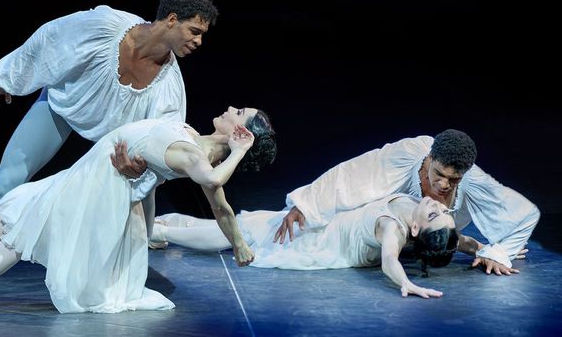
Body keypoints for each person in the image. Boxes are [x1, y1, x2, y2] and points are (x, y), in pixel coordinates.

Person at [0, 107, 276, 313]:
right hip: (93, 176)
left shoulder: (194, 154)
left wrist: (239, 242)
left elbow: (216, 195)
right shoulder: (192, 140)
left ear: (240, 135)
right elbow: (214, 192)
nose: (230, 108)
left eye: (239, 112)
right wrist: (238, 243)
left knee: (14, 231)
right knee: (14, 225)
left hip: (95, 186)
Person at [0, 0, 219, 254]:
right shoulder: (108, 25)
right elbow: (53, 36)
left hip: (113, 137)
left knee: (111, 205)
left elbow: (165, 135)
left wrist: (140, 166)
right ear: (171, 20)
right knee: (5, 182)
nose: (198, 41)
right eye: (194, 31)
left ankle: (144, 236)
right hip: (66, 100)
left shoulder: (169, 85)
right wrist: (8, 76)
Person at [151, 129, 539, 276]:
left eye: (452, 180)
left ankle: (155, 227)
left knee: (249, 228)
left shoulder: (472, 182)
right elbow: (355, 173)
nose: (442, 185)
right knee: (256, 228)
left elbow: (525, 212)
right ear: (429, 158)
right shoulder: (409, 154)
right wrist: (308, 204)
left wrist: (500, 250)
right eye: (438, 174)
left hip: (375, 238)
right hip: (347, 229)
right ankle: (155, 227)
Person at [156, 194, 468, 298]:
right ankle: (159, 226)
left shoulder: (392, 228)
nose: (438, 206)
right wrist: (482, 250)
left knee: (232, 232)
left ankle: (151, 230)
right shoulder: (416, 210)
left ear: (415, 228)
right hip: (316, 226)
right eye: (443, 212)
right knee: (231, 227)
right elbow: (456, 240)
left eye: (434, 215)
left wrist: (406, 283)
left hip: (309, 240)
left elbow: (389, 259)